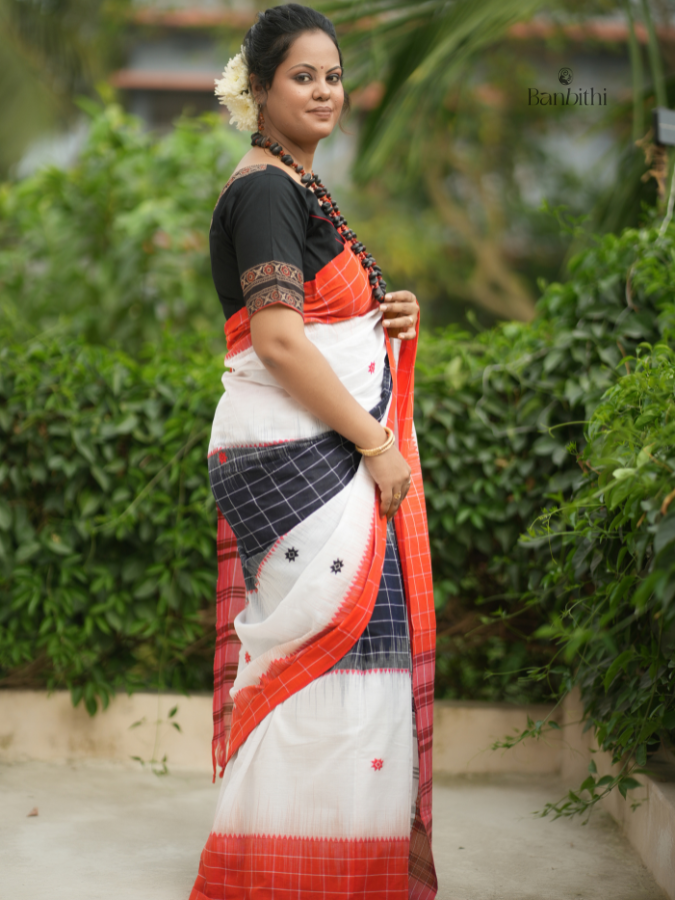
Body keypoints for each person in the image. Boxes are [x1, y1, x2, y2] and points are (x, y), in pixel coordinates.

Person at [189, 5, 437, 898]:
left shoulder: (295, 186)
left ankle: (327, 865)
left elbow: (320, 322)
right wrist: (374, 442)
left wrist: (384, 314)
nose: (324, 91)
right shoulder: (265, 190)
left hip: (311, 455)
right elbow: (281, 341)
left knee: (353, 663)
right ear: (258, 90)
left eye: (332, 76)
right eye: (303, 77)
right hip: (305, 461)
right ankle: (288, 873)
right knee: (332, 662)